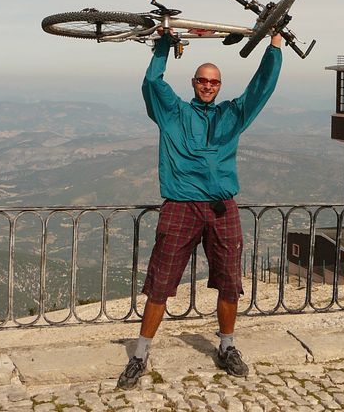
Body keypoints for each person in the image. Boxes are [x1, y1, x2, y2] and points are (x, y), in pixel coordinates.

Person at [117, 30, 283, 389]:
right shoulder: (174, 112)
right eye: (202, 80)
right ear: (194, 83)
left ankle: (227, 347)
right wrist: (162, 46)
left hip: (222, 208)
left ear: (219, 86)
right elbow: (151, 81)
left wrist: (274, 46)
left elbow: (261, 89)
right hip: (180, 206)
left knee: (229, 282)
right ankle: (141, 354)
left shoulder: (232, 115)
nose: (208, 86)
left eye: (214, 82)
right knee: (160, 284)